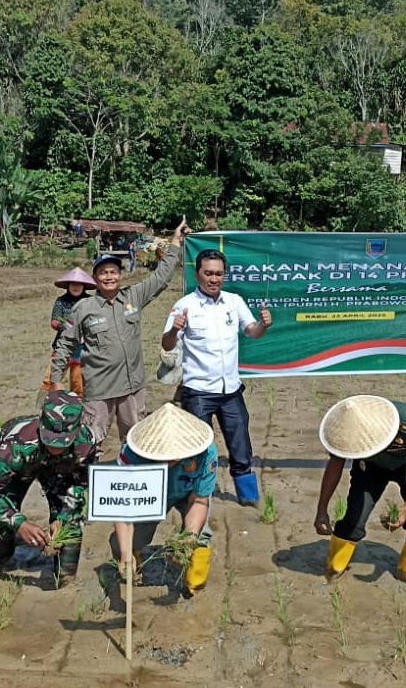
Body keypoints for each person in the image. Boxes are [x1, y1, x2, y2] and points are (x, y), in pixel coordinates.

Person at [50, 220, 189, 445]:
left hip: (132, 387)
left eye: (113, 272)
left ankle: (133, 478)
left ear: (120, 276)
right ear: (95, 279)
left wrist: (175, 243)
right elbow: (65, 344)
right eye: (103, 273)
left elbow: (161, 278)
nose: (109, 277)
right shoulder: (83, 308)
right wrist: (56, 380)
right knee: (91, 441)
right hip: (99, 389)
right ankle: (87, 478)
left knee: (135, 440)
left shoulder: (133, 297)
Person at [162, 248, 272, 506]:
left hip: (230, 391)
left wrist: (264, 325)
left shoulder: (234, 301)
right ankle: (200, 496)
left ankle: (247, 495)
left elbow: (252, 332)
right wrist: (174, 329)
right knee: (199, 447)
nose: (214, 279)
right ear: (197, 274)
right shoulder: (184, 306)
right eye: (208, 273)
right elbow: (167, 345)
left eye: (219, 274)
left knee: (241, 444)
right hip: (198, 391)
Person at [0, 391, 99, 587]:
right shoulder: (17, 445)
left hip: (56, 468)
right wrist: (20, 523)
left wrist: (62, 518)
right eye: (50, 439)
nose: (55, 447)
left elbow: (78, 486)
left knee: (72, 521)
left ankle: (64, 582)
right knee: (2, 531)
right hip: (15, 466)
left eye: (63, 442)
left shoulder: (85, 443)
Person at [313, 395, 406, 583]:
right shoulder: (344, 428)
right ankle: (333, 570)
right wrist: (321, 509)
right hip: (371, 467)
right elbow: (336, 464)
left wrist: (405, 510)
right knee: (353, 520)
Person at [109, 403, 218, 595]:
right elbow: (122, 507)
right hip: (148, 495)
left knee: (200, 536)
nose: (169, 462)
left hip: (187, 492)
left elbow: (199, 501)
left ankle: (194, 584)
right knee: (123, 543)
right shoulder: (131, 456)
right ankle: (133, 567)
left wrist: (189, 538)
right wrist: (126, 553)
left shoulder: (206, 454)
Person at [41, 268, 95, 398]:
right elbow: (54, 321)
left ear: (84, 286)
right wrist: (64, 326)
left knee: (78, 383)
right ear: (68, 286)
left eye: (79, 284)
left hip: (83, 348)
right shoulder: (61, 301)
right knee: (50, 379)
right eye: (73, 284)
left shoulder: (91, 302)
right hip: (62, 345)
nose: (76, 287)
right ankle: (44, 407)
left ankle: (78, 411)